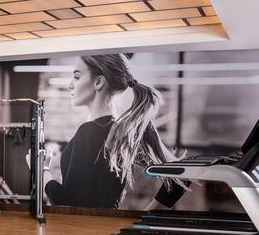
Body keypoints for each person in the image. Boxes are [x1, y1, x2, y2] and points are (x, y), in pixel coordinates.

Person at [45, 54, 182, 208]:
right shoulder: (121, 131)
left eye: (77, 77)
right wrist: (146, 215)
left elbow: (69, 204)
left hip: (85, 230)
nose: (70, 85)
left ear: (98, 82)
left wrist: (43, 173)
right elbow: (181, 176)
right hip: (108, 227)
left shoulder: (89, 132)